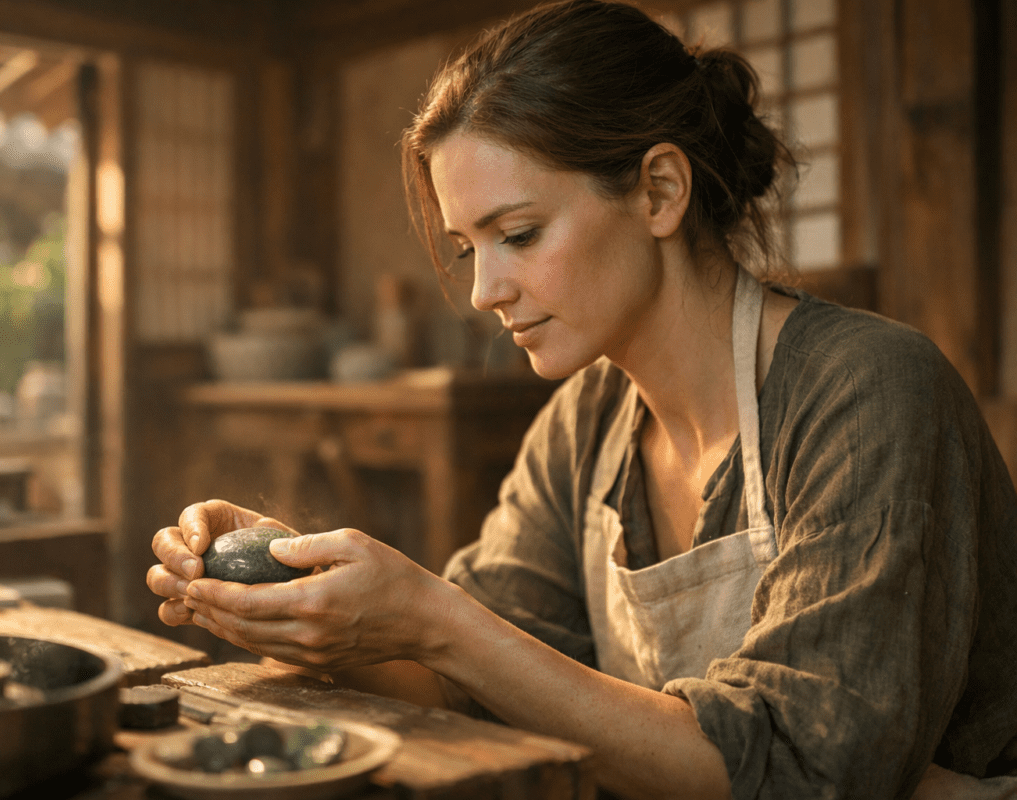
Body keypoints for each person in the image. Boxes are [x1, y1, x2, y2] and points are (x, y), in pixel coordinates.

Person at [146, 1, 1017, 796]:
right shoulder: (585, 424)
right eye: (467, 249)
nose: (486, 289)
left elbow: (802, 766)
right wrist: (305, 602)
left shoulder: (867, 394)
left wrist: (434, 619)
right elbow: (473, 682)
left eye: (518, 235)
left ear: (659, 191)